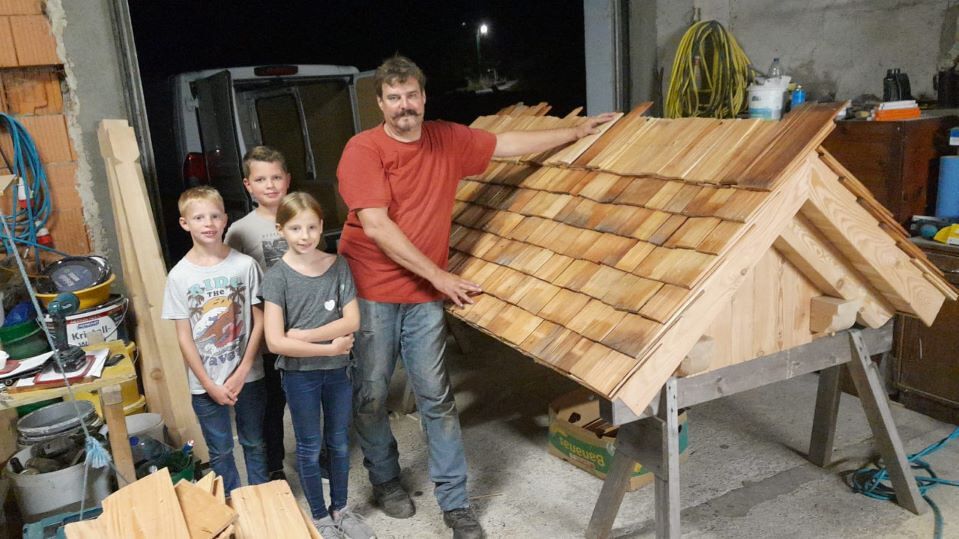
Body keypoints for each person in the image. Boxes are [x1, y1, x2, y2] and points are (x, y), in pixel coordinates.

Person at [336, 55, 616, 539]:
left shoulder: (446, 139)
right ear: (380, 103)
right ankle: (385, 480)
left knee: (436, 396)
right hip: (371, 287)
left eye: (411, 95)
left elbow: (505, 144)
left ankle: (455, 503)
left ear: (424, 97)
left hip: (422, 293)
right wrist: (439, 277)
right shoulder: (363, 150)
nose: (404, 105)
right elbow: (377, 226)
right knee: (371, 393)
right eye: (394, 98)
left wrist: (575, 132)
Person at [262, 192, 375, 539]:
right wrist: (329, 347)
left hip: (338, 372)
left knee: (339, 443)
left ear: (322, 226)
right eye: (295, 228)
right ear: (281, 230)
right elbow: (275, 342)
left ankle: (341, 509)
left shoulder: (338, 266)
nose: (305, 235)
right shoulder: (277, 277)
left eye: (312, 227)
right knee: (309, 447)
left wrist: (306, 337)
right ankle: (320, 516)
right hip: (300, 377)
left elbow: (352, 321)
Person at [162, 185, 268, 494]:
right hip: (205, 383)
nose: (208, 223)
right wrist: (208, 383)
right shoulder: (179, 276)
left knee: (254, 442)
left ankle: (260, 498)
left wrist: (243, 370)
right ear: (185, 223)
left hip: (249, 376)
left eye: (214, 216)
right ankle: (231, 501)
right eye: (199, 218)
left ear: (225, 219)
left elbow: (260, 320)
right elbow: (184, 336)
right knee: (220, 450)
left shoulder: (245, 266)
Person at [225, 145, 291, 481]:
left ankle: (320, 457)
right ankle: (274, 465)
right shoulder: (240, 231)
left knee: (312, 399)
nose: (270, 185)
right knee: (272, 405)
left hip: (306, 330)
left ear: (287, 179)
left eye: (276, 177)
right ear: (248, 185)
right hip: (265, 335)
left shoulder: (303, 216)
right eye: (261, 179)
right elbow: (233, 288)